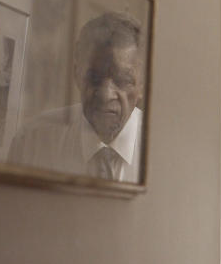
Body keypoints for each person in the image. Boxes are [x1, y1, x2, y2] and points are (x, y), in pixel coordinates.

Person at [8, 12, 146, 182]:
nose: (105, 94)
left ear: (142, 85)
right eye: (93, 77)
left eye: (122, 80)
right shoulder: (31, 144)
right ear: (76, 74)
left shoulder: (167, 153)